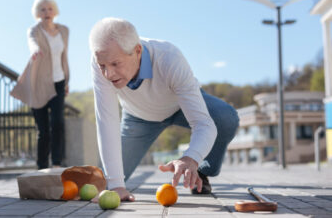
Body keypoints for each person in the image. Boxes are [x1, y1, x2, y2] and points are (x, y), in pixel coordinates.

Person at [89, 17, 239, 201]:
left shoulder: (169, 57)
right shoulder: (101, 59)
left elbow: (203, 123)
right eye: (102, 66)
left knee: (225, 117)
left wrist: (191, 158)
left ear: (137, 50)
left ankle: (200, 170)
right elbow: (107, 122)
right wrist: (117, 185)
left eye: (115, 64)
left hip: (179, 106)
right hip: (138, 117)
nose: (108, 74)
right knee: (106, 181)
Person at [10, 0, 69, 169]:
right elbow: (32, 42)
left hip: (58, 81)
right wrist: (35, 50)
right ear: (37, 13)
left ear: (54, 11)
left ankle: (57, 163)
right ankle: (42, 166)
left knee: (58, 123)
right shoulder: (34, 30)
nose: (46, 12)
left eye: (50, 9)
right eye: (42, 9)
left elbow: (64, 57)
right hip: (37, 83)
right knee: (43, 130)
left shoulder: (64, 31)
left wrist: (67, 80)